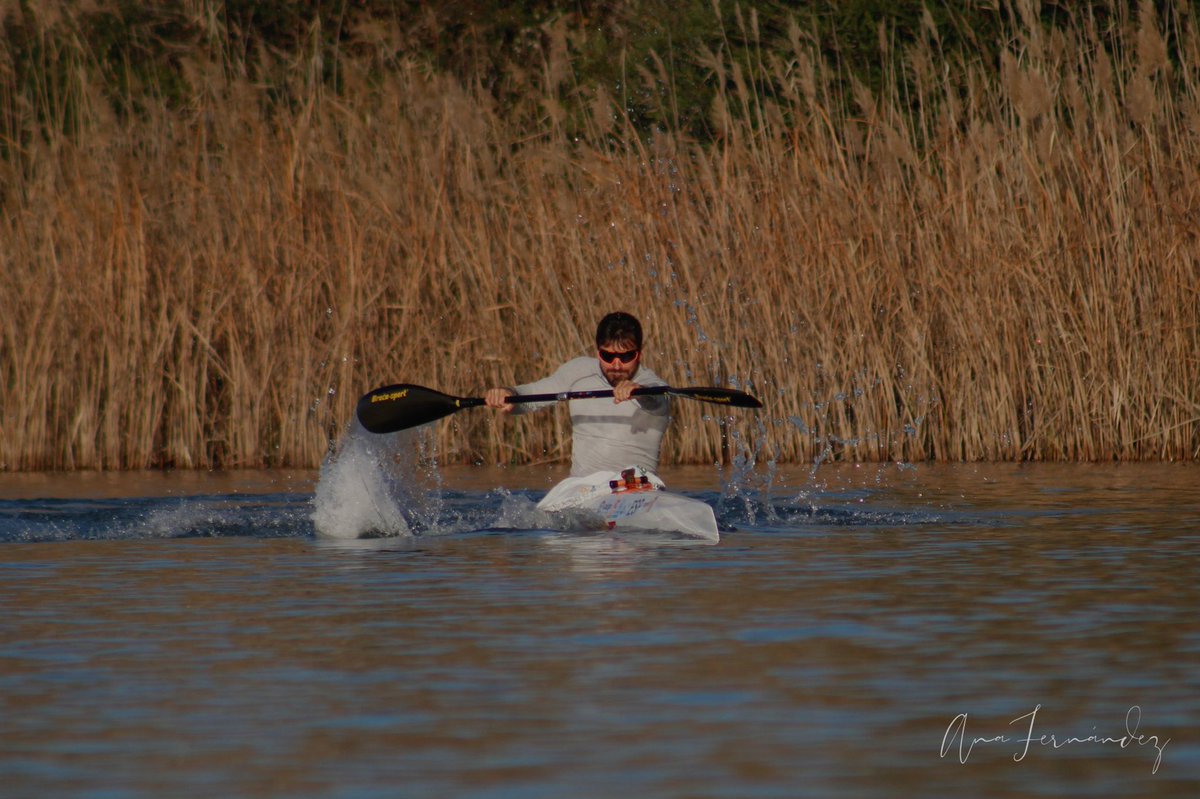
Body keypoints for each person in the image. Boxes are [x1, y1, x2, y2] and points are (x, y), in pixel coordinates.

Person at [485, 311, 670, 478]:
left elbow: (656, 402)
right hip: (582, 491)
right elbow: (531, 395)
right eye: (608, 356)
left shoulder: (654, 386)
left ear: (639, 354)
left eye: (626, 357)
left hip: (639, 488)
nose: (616, 365)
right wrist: (509, 395)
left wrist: (638, 392)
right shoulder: (578, 371)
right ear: (598, 353)